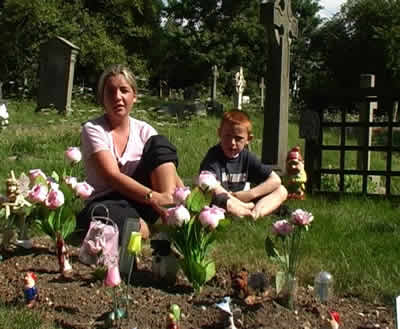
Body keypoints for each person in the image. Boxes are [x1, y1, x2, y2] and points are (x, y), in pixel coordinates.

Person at [78, 64, 183, 239]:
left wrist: (183, 197)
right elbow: (112, 176)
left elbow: (165, 166)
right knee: (118, 222)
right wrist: (154, 197)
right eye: (110, 92)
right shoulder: (93, 129)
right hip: (108, 199)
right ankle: (144, 227)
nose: (117, 97)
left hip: (144, 199)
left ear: (134, 96)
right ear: (102, 98)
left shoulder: (145, 130)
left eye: (124, 90)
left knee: (159, 143)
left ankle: (171, 215)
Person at [199, 109, 287, 219]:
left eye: (238, 138)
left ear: (248, 139)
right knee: (212, 186)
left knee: (282, 190)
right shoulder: (214, 156)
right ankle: (248, 210)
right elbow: (208, 184)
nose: (232, 143)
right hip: (223, 201)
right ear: (219, 133)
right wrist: (241, 202)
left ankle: (255, 214)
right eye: (227, 136)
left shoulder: (247, 157)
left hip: (242, 197)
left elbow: (275, 180)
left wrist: (250, 194)